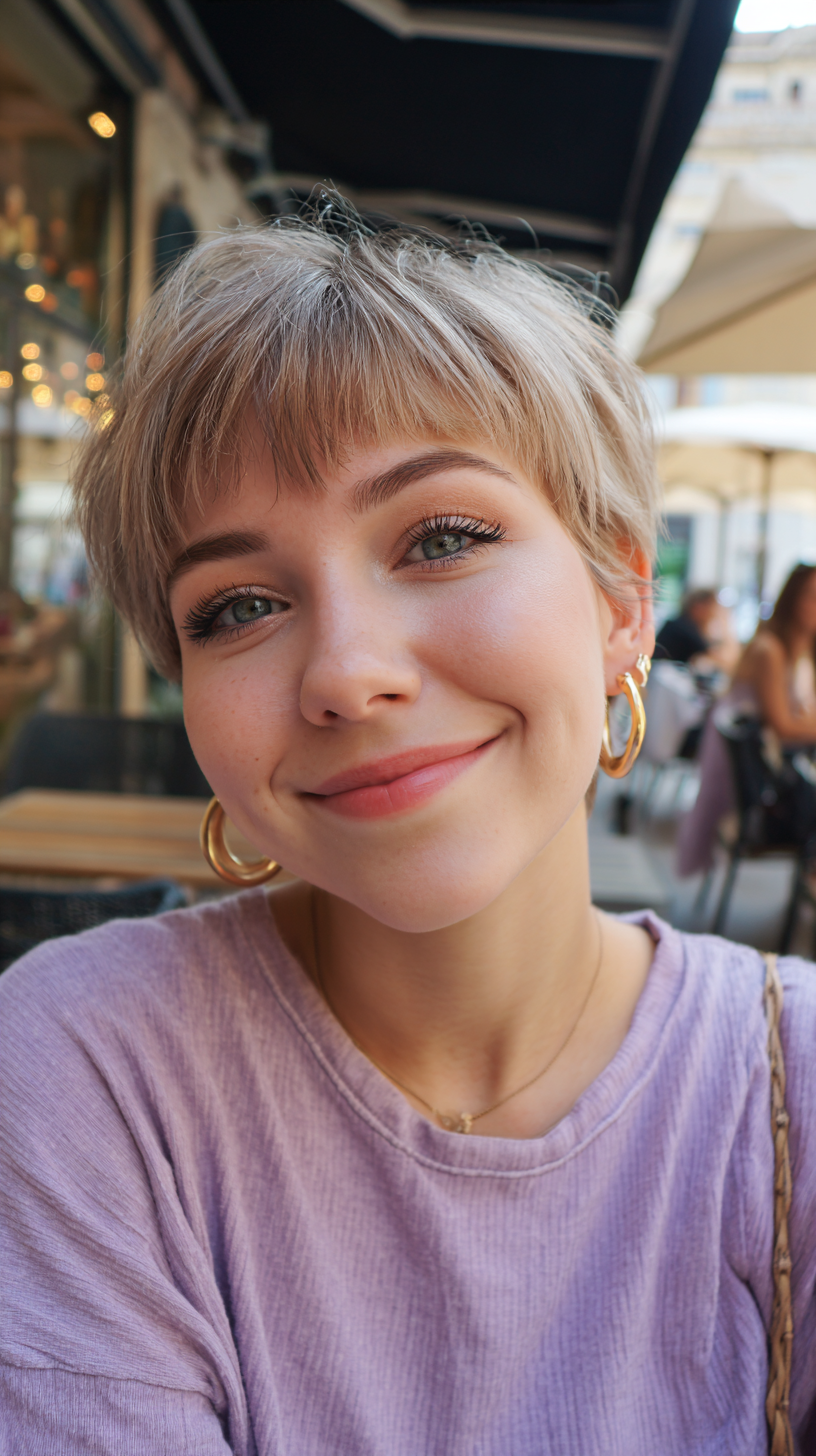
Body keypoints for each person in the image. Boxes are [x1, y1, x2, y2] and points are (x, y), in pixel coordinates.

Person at [2, 203, 816, 1455]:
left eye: (442, 537)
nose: (348, 671)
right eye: (239, 606)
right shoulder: (84, 1075)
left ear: (621, 602)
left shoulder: (792, 1086)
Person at [678, 562, 816, 877]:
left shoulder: (803, 649)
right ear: (792, 598)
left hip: (772, 765)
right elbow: (784, 726)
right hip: (756, 779)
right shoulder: (770, 650)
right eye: (811, 595)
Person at [656, 586, 739, 674]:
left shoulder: (681, 624)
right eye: (713, 607)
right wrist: (726, 624)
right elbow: (728, 661)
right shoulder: (684, 629)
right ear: (699, 607)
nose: (714, 613)